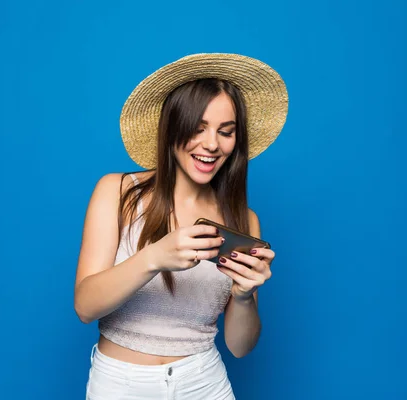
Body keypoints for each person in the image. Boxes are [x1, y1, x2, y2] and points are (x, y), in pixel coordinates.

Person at [74, 53, 288, 399]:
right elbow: (85, 307)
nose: (212, 144)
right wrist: (154, 257)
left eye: (226, 131)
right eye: (197, 127)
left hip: (204, 382)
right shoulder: (118, 192)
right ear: (172, 126)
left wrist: (244, 296)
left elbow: (240, 347)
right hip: (120, 384)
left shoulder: (245, 220)